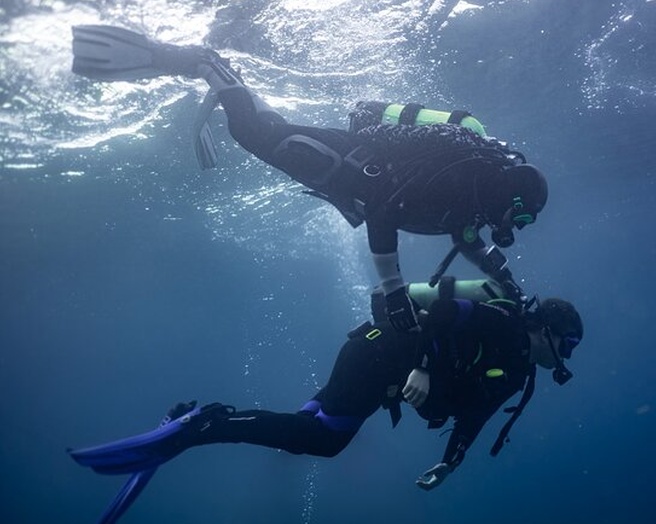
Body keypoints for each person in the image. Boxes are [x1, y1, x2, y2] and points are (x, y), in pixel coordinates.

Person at [70, 25, 550, 332]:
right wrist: (394, 290)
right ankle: (201, 61)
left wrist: (508, 283)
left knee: (271, 131)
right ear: (509, 193)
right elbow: (385, 212)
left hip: (347, 177)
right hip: (346, 163)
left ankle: (225, 75)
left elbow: (469, 240)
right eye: (521, 214)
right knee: (254, 134)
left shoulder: (470, 201)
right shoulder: (459, 179)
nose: (518, 225)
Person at [69, 280, 583, 521]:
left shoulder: (517, 373)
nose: (568, 356)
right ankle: (203, 424)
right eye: (570, 344)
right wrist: (423, 367)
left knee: (307, 431)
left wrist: (449, 463)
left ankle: (200, 421)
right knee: (322, 441)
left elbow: (477, 416)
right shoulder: (504, 323)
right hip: (381, 357)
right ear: (552, 331)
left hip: (375, 363)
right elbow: (442, 312)